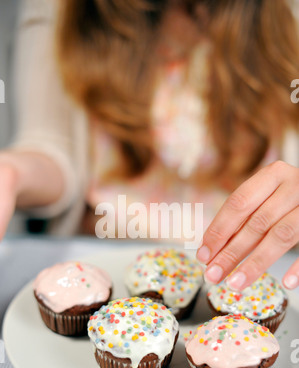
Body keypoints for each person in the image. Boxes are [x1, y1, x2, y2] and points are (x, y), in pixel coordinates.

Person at [1, 0, 299, 292]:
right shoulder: (57, 7)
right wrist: (13, 171)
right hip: (100, 254)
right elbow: (51, 145)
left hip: (247, 272)